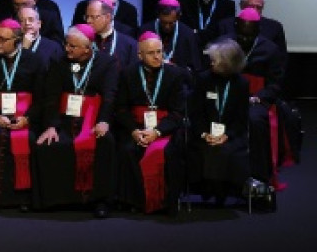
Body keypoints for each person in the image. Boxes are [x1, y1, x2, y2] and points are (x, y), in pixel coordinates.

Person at [30, 24, 117, 217]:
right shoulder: (58, 61)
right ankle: (56, 200)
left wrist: (104, 121)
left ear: (88, 48)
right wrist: (51, 126)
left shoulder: (106, 63)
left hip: (93, 120)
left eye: (73, 46)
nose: (67, 49)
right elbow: (51, 96)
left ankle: (99, 201)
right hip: (64, 119)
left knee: (105, 143)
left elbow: (109, 95)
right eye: (66, 44)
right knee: (48, 145)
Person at [0, 19, 46, 211]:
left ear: (16, 41)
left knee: (27, 138)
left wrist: (27, 118)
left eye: (2, 39)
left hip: (25, 118)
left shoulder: (34, 60)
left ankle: (22, 198)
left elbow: (41, 98)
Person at [115, 32, 187, 215]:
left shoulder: (176, 74)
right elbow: (121, 109)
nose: (157, 57)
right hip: (137, 127)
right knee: (127, 150)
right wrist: (133, 131)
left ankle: (165, 201)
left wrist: (157, 132)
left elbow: (178, 112)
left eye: (160, 52)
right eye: (151, 53)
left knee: (169, 152)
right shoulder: (127, 73)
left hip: (166, 129)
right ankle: (136, 202)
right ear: (140, 55)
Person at [232, 7, 293, 187]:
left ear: (257, 30)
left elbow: (275, 83)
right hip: (229, 94)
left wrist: (259, 97)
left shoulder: (271, 49)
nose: (244, 39)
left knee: (255, 120)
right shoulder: (226, 44)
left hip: (257, 98)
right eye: (241, 35)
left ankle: (258, 175)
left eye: (249, 35)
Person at [189, 38, 251, 206]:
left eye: (215, 60)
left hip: (230, 134)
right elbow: (195, 113)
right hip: (204, 132)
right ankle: (214, 189)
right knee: (207, 148)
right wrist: (204, 133)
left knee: (223, 150)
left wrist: (226, 135)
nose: (211, 63)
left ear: (227, 63)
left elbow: (241, 118)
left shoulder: (242, 84)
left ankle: (215, 189)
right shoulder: (203, 79)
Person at [142, 0, 203, 84]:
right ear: (158, 15)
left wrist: (176, 69)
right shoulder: (146, 30)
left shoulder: (188, 34)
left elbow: (194, 69)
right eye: (164, 22)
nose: (167, 27)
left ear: (178, 17)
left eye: (171, 23)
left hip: (178, 83)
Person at [84, 0, 137, 71]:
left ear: (108, 17)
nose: (88, 21)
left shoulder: (129, 45)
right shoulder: (82, 42)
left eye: (93, 17)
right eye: (87, 17)